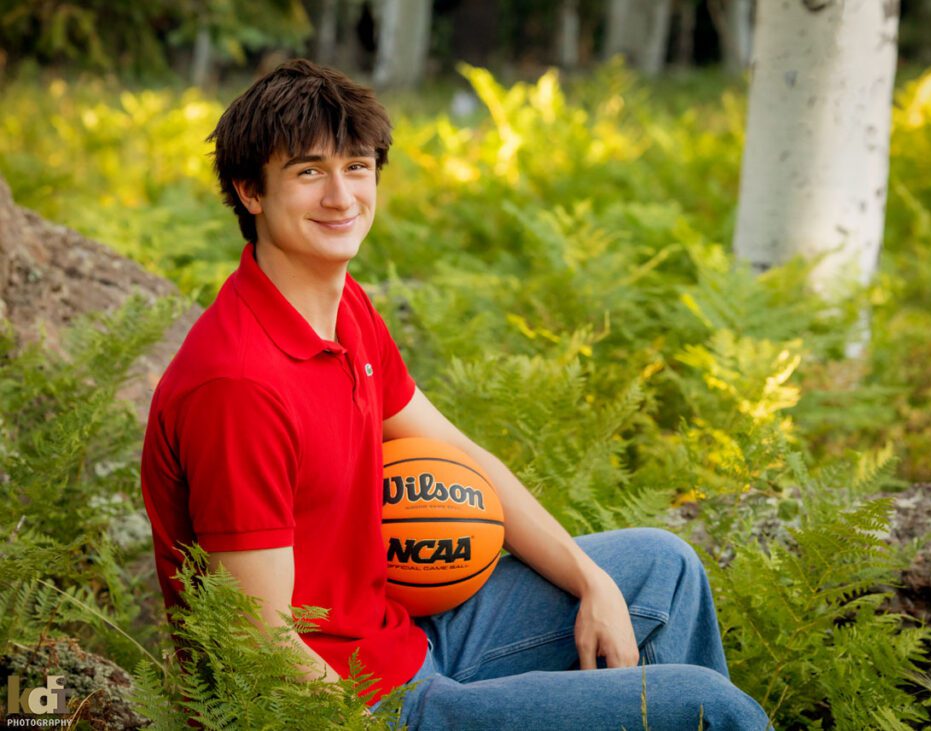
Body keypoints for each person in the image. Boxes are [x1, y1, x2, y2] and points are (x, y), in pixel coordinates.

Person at [140, 59, 770, 730]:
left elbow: (464, 458)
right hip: (360, 704)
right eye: (308, 171)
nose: (341, 196)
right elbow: (257, 645)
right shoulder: (238, 385)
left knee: (662, 568)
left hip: (408, 639)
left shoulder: (345, 309)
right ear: (251, 191)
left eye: (356, 166)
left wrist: (592, 581)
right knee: (714, 710)